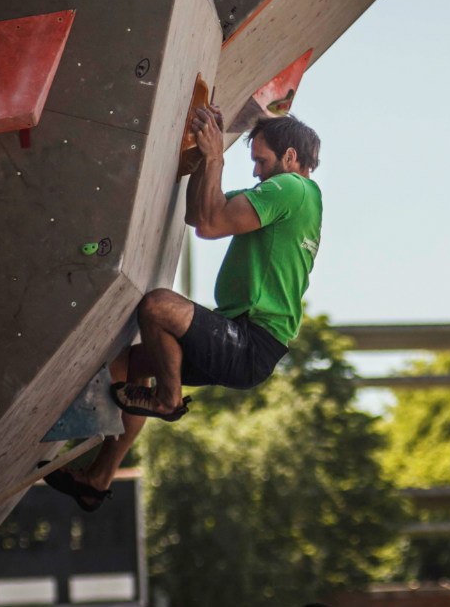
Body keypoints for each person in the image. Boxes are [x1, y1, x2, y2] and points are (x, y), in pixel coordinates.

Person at [44, 108, 323, 511]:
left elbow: (210, 225)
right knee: (129, 367)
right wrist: (199, 160)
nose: (258, 172)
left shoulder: (291, 189)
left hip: (249, 342)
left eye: (262, 162)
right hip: (242, 340)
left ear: (291, 158)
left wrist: (216, 158)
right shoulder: (294, 200)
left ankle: (169, 400)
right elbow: (199, 215)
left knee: (158, 306)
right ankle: (98, 479)